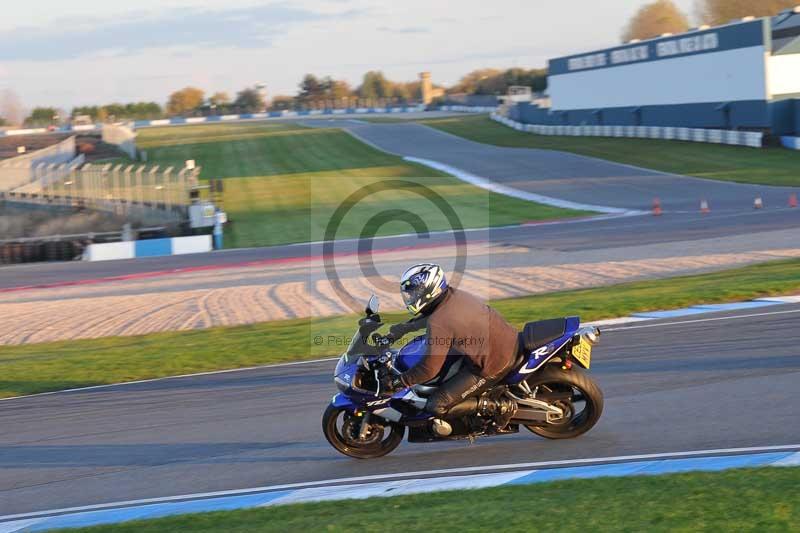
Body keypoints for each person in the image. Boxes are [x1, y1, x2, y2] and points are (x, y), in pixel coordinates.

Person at [382, 263, 519, 417]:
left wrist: (398, 382)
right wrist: (397, 332)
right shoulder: (450, 295)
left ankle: (499, 407)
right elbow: (427, 317)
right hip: (505, 340)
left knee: (436, 405)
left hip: (493, 363)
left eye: (413, 293)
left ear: (427, 291)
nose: (411, 297)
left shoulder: (440, 321)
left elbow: (428, 369)